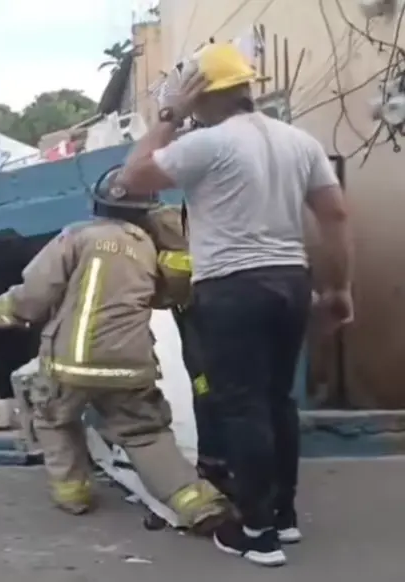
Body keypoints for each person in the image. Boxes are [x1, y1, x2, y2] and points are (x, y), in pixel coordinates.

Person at [115, 42, 352, 567]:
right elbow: (334, 215)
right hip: (291, 280)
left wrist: (169, 116)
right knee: (276, 401)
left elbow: (131, 179)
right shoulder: (299, 142)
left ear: (203, 95)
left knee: (242, 405)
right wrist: (338, 289)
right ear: (247, 88)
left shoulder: (206, 144)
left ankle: (257, 532)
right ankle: (283, 516)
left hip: (233, 286)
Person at [0, 167, 229, 535]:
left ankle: (73, 493)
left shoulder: (77, 236)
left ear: (99, 202)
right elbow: (166, 296)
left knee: (53, 418)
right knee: (145, 434)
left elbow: (35, 293)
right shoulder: (149, 246)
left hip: (71, 363)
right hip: (130, 366)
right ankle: (198, 503)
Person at [140, 205, 232, 497]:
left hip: (199, 331)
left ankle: (213, 462)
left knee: (204, 389)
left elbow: (163, 296)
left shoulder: (169, 259)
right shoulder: (209, 244)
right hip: (222, 321)